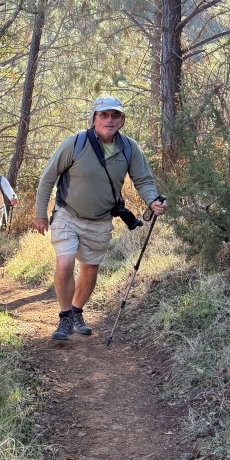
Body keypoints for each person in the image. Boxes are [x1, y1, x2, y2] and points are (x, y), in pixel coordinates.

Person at [34, 96, 166, 340]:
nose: (109, 119)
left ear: (122, 120)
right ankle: (64, 319)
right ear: (94, 118)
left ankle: (76, 311)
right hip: (67, 214)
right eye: (104, 115)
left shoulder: (129, 148)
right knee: (64, 265)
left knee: (90, 269)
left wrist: (152, 200)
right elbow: (48, 177)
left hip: (101, 219)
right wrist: (40, 213)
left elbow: (144, 180)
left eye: (115, 115)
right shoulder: (75, 143)